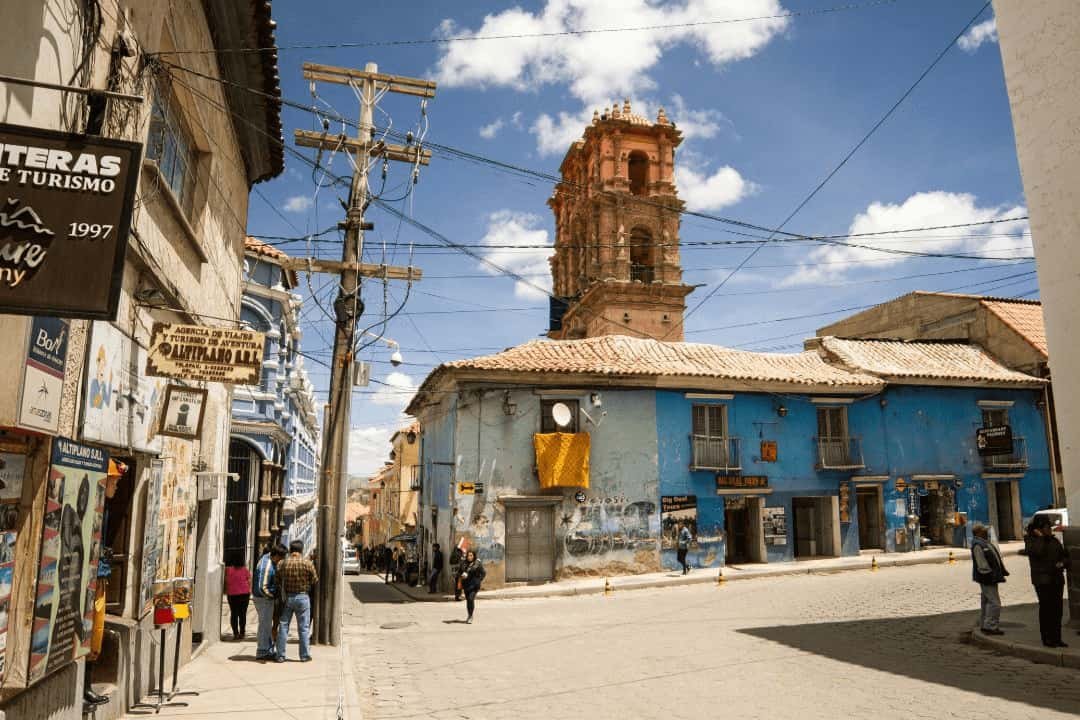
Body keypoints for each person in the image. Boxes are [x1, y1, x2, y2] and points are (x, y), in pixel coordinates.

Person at [1025, 515, 1070, 648]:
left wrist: (1062, 563)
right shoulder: (1031, 540)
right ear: (1038, 529)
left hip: (1057, 579)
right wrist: (1040, 537)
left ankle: (1057, 637)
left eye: (1049, 527)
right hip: (1042, 580)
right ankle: (1047, 638)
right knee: (1046, 609)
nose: (1049, 529)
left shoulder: (1054, 540)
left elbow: (1065, 555)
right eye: (1046, 527)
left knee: (1057, 610)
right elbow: (1038, 552)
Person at [275, 540, 318, 662]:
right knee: (304, 628)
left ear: (290, 549)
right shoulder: (307, 563)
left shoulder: (282, 563)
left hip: (287, 598)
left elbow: (277, 579)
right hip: (303, 597)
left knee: (283, 626)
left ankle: (280, 655)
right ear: (301, 550)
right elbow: (315, 580)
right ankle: (304, 655)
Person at [970, 525, 1008, 635]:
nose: (986, 532)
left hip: (990, 577)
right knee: (995, 603)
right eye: (984, 531)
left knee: (986, 601)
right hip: (987, 578)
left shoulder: (984, 542)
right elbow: (982, 564)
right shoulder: (978, 544)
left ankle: (984, 624)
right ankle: (990, 626)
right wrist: (989, 575)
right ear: (978, 533)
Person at [252, 544, 286, 661]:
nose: (281, 561)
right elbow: (263, 587)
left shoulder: (268, 560)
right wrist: (273, 595)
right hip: (264, 599)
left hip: (264, 598)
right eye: (281, 558)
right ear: (276, 555)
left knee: (265, 625)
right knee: (265, 626)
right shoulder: (266, 565)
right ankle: (262, 651)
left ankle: (266, 649)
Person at [225, 555, 252, 641]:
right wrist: (249, 590)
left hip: (232, 594)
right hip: (244, 594)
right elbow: (249, 581)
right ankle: (242, 633)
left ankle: (235, 633)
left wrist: (227, 590)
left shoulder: (229, 570)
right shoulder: (245, 570)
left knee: (234, 614)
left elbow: (226, 581)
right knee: (242, 614)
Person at [460, 550, 486, 624]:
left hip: (474, 585)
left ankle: (471, 616)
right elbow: (459, 572)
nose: (470, 557)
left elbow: (483, 573)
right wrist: (462, 575)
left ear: (474, 556)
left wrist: (479, 580)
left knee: (471, 599)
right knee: (468, 600)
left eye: (471, 555)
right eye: (468, 555)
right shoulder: (463, 563)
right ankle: (469, 614)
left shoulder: (477, 564)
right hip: (466, 585)